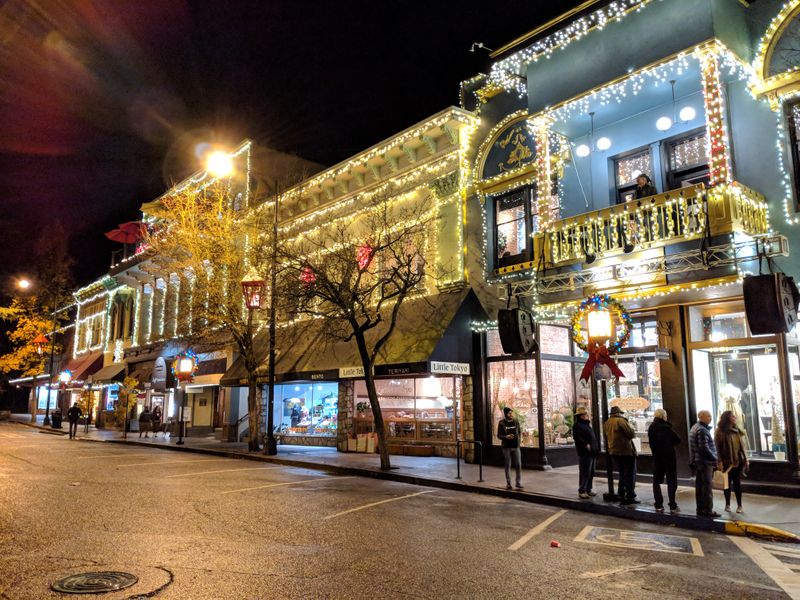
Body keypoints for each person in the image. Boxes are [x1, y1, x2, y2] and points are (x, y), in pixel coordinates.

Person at [714, 410, 749, 514]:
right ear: (727, 418)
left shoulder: (736, 430)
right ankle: (727, 504)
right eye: (733, 416)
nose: (735, 418)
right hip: (726, 462)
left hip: (737, 461)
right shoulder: (719, 431)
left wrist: (746, 459)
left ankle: (739, 505)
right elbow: (717, 447)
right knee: (727, 484)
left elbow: (742, 446)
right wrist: (719, 461)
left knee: (737, 483)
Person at [648, 408, 681, 514]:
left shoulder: (651, 427)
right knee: (671, 481)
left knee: (656, 481)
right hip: (669, 458)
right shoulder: (666, 428)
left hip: (657, 457)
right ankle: (672, 505)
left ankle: (658, 504)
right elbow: (677, 440)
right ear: (663, 416)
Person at [603, 406, 638, 505]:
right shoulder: (621, 421)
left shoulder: (607, 422)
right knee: (630, 474)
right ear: (618, 413)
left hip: (614, 452)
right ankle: (630, 496)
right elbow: (631, 434)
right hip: (626, 451)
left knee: (622, 474)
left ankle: (621, 494)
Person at [689, 410, 720, 518]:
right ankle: (708, 510)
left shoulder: (695, 427)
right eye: (708, 416)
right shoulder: (702, 430)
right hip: (705, 462)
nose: (710, 418)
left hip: (698, 462)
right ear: (701, 417)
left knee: (700, 487)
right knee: (707, 487)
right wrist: (715, 458)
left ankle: (700, 509)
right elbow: (704, 448)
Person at [573, 406, 599, 499]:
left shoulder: (587, 424)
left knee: (591, 472)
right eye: (585, 414)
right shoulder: (577, 426)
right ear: (581, 416)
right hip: (585, 452)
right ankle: (582, 490)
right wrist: (585, 445)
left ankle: (588, 489)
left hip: (591, 452)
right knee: (585, 471)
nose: (587, 415)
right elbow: (578, 438)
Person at [497, 406, 523, 490]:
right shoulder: (501, 423)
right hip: (506, 447)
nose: (511, 414)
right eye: (509, 413)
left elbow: (519, 432)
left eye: (511, 412)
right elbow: (499, 435)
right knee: (508, 464)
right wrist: (506, 436)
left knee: (518, 464)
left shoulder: (516, 421)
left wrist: (519, 440)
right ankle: (508, 483)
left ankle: (518, 483)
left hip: (516, 446)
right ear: (506, 414)